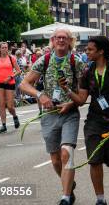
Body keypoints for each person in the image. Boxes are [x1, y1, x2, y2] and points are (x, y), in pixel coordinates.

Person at [64, 36, 109, 205]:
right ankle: (100, 199)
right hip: (94, 122)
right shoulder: (87, 72)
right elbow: (81, 100)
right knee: (94, 161)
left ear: (101, 51)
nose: (86, 52)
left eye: (90, 49)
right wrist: (66, 89)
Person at [20, 27, 85, 205]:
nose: (61, 40)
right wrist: (40, 95)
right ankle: (69, 185)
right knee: (56, 159)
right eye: (58, 37)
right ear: (53, 40)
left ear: (70, 41)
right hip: (49, 114)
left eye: (65, 38)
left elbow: (84, 93)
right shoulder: (45, 60)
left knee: (66, 153)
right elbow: (24, 84)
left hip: (70, 113)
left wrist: (71, 103)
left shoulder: (76, 61)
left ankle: (65, 197)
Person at [0, 42, 21, 134]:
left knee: (10, 106)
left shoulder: (11, 58)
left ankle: (15, 116)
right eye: (3, 47)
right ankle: (3, 125)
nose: (4, 49)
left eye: (6, 47)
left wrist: (10, 77)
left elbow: (19, 71)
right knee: (1, 104)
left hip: (10, 82)